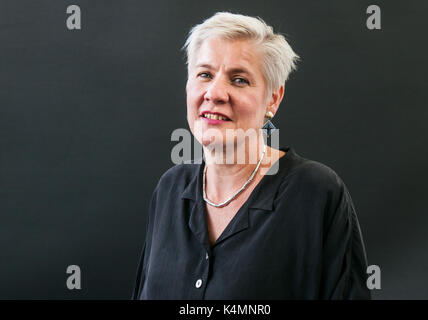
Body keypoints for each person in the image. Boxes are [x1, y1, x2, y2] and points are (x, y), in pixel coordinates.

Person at [132, 12, 370, 299]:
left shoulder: (315, 192)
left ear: (273, 98)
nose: (215, 93)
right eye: (205, 74)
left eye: (239, 80)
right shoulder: (171, 189)